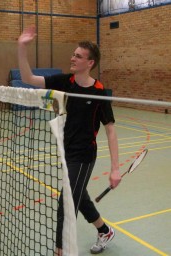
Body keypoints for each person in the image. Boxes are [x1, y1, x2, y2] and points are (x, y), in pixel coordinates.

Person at [17, 25, 121, 255]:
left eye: (78, 56)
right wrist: (22, 48)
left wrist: (115, 169)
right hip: (66, 152)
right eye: (73, 54)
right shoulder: (65, 82)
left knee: (67, 203)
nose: (72, 58)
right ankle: (104, 230)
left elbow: (111, 131)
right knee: (79, 195)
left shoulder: (99, 92)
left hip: (84, 155)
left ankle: (60, 250)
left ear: (90, 63)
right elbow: (27, 77)